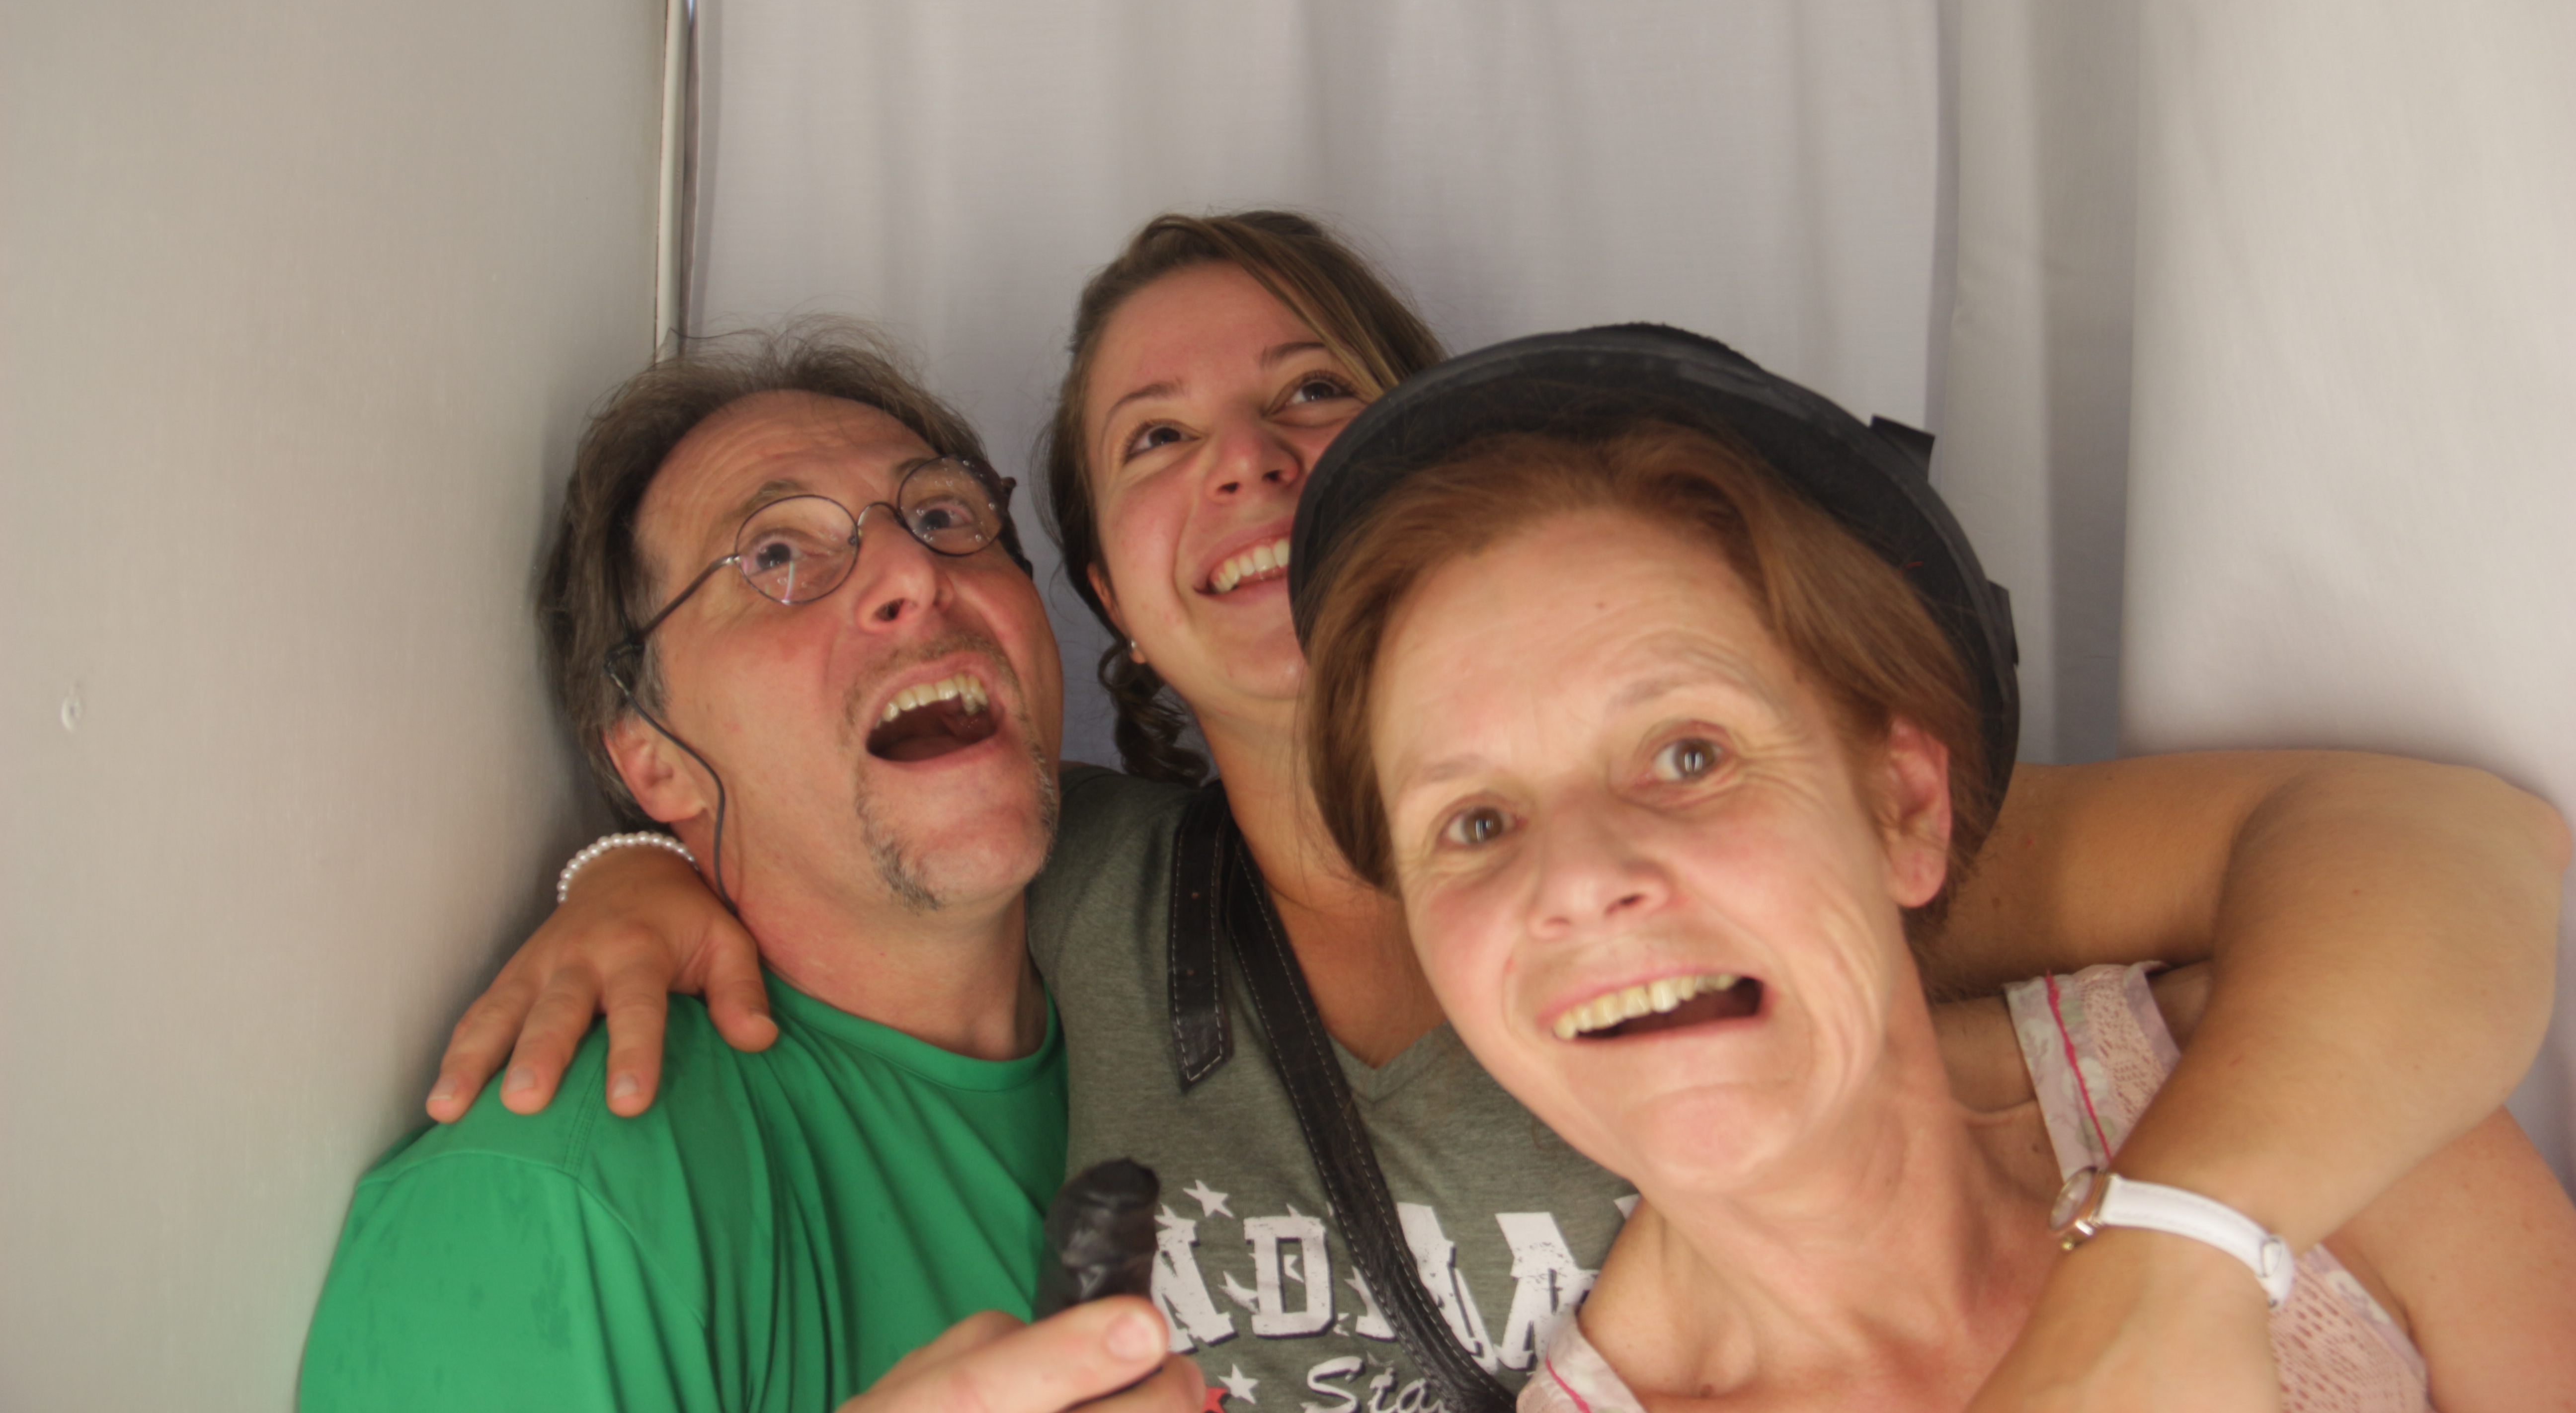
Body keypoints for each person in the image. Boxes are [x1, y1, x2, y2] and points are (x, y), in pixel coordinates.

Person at [429, 214, 2568, 1410]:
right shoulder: (1075, 884)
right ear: (1098, 600)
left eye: (1314, 398)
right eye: (1155, 439)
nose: (1596, 888)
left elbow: (2432, 852)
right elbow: (854, 836)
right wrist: (636, 867)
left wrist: (2183, 1252)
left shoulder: (1846, 878)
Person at [1288, 325, 2576, 1411]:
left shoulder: (2304, 1080)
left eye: (1687, 755)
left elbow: (2464, 850)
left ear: (1905, 808)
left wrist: (2179, 1251)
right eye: (1475, 824)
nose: (1575, 880)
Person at [299, 325, 1203, 1413]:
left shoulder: (1197, 981)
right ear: (654, 757)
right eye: (775, 555)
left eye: (942, 515)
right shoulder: (557, 1203)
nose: (914, 572)